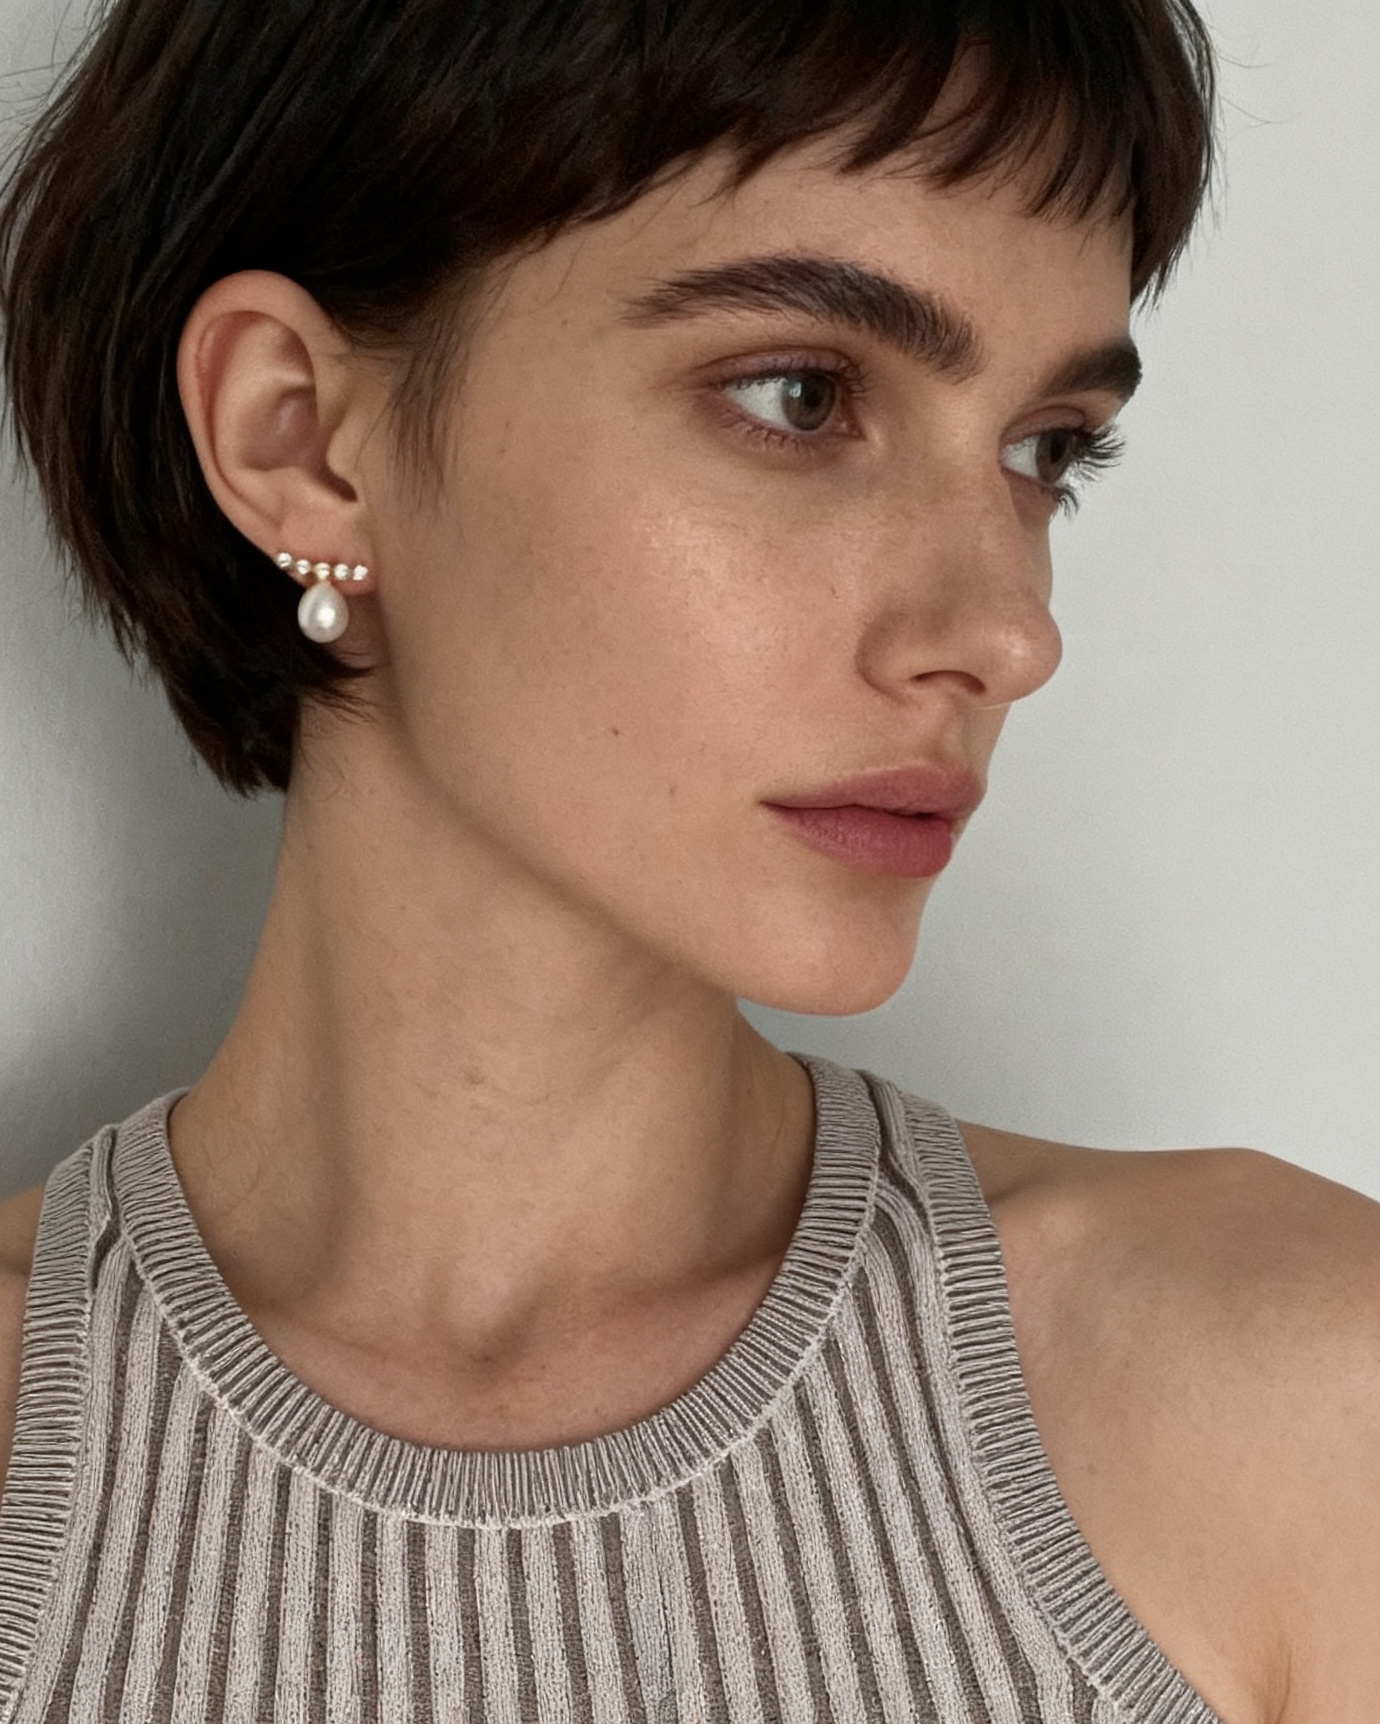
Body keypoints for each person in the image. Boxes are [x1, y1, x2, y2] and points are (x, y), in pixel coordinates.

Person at [0, 0, 1374, 1718]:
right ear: (300, 436)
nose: (1007, 632)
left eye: (1044, 453)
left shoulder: (1309, 1397)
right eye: (801, 396)